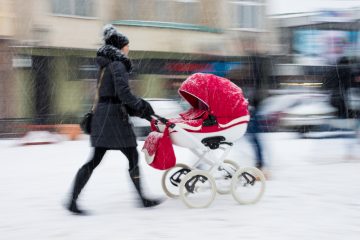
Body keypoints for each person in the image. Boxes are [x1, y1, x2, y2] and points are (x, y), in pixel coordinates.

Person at [66, 24, 162, 215]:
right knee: (132, 157)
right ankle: (142, 199)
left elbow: (110, 93)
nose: (128, 49)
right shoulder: (117, 64)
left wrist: (136, 106)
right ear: (120, 47)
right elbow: (123, 94)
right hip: (115, 118)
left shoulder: (104, 65)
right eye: (127, 45)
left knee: (95, 160)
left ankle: (72, 200)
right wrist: (141, 106)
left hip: (103, 116)